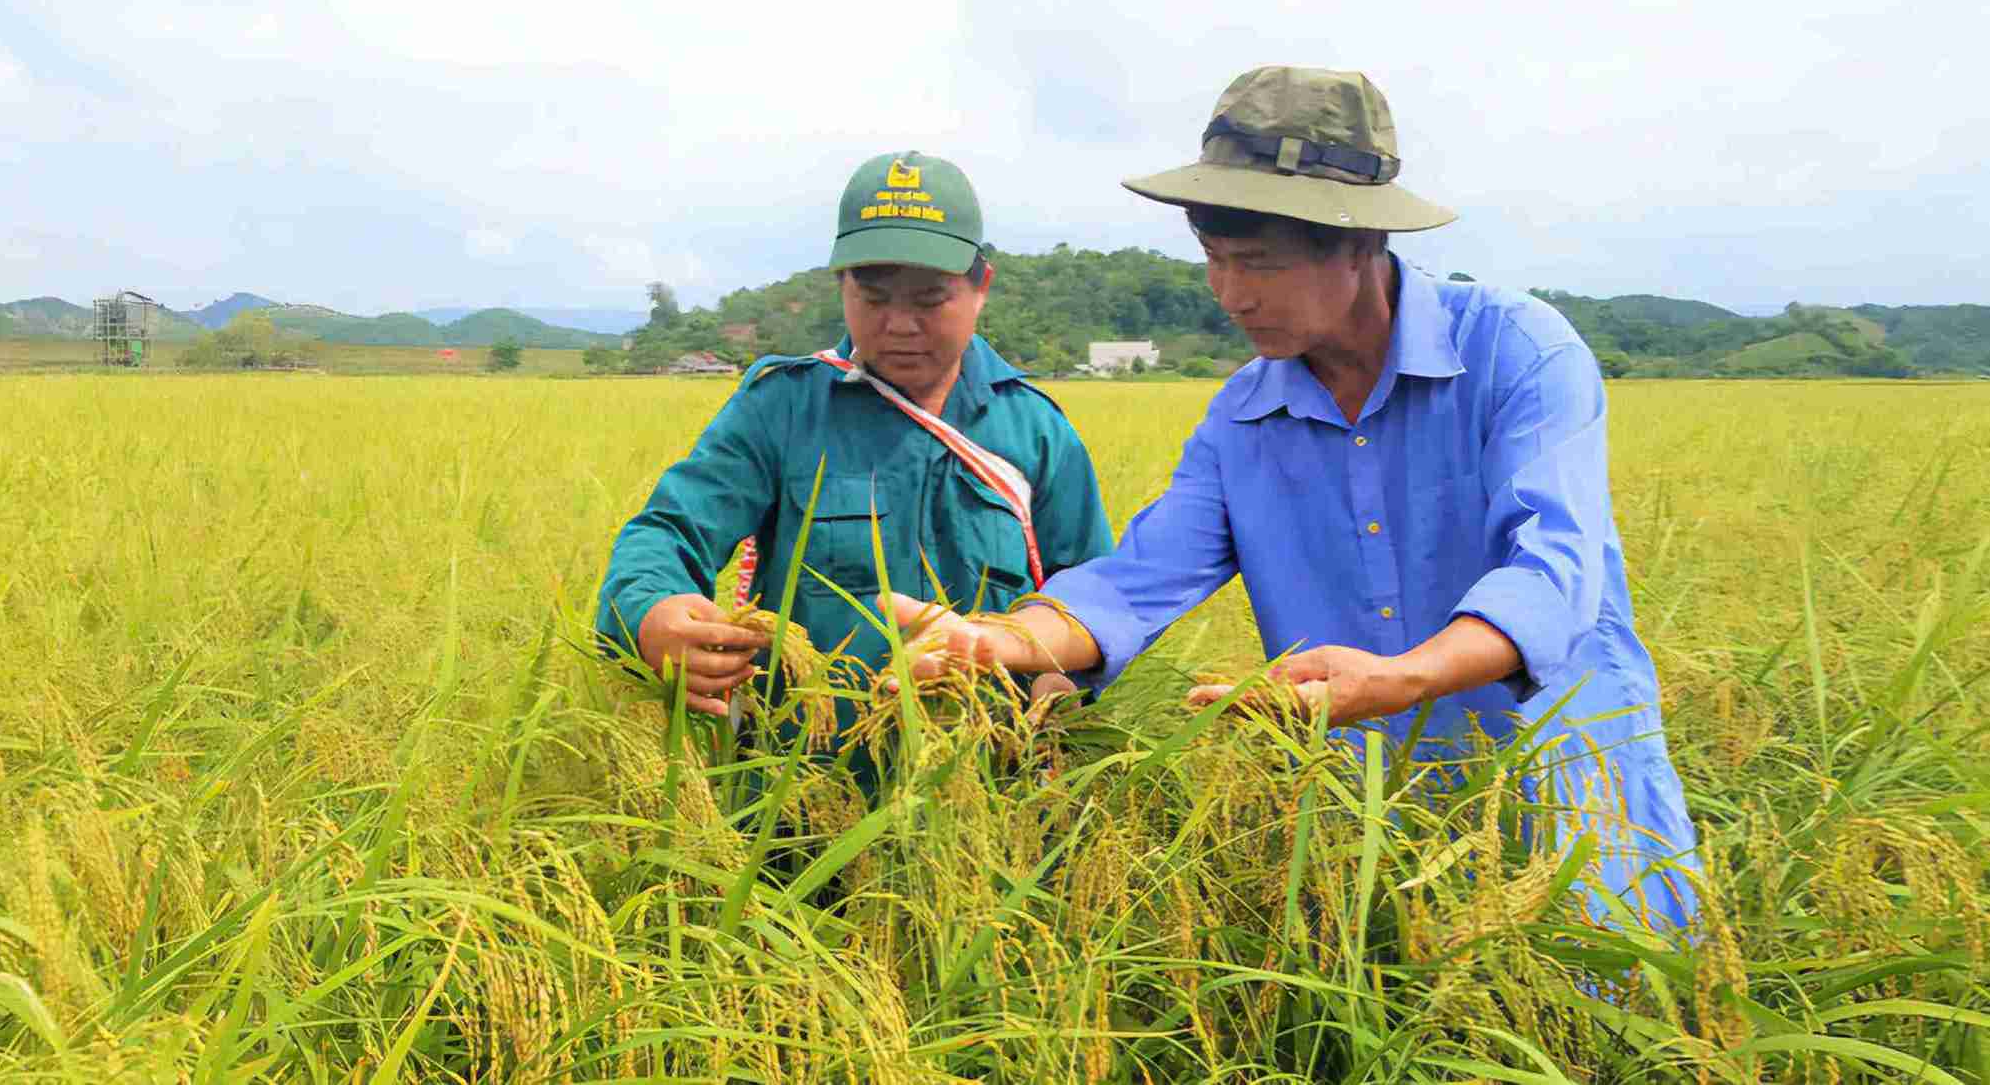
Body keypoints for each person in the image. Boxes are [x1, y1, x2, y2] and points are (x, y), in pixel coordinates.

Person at [886, 68, 1700, 928]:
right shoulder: (1243, 416)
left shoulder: (1517, 352)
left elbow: (1553, 565)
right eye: (1215, 260)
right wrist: (1000, 640)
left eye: (1260, 264)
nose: (1232, 294)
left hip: (1571, 806)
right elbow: (1134, 580)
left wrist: (1403, 676)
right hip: (1373, 832)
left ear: (1357, 246)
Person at [596, 150, 1113, 788]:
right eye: (872, 296)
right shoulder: (782, 407)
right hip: (800, 807)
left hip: (991, 799)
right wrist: (652, 612)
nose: (900, 325)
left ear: (982, 286)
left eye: (931, 299)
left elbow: (1093, 600)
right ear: (840, 285)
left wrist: (1068, 684)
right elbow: (667, 533)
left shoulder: (1035, 432)